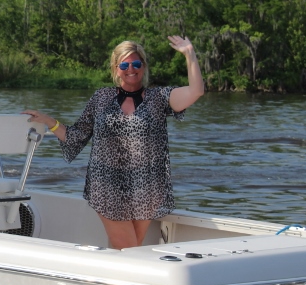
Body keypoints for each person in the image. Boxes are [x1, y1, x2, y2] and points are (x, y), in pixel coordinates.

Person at [23, 36, 204, 249]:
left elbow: (196, 91)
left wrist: (190, 54)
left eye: (136, 64)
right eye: (124, 65)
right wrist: (49, 121)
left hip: (147, 186)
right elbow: (76, 136)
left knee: (129, 249)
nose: (131, 69)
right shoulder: (101, 98)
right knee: (127, 247)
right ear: (116, 68)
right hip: (107, 185)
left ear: (144, 67)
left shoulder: (159, 98)